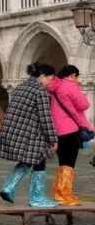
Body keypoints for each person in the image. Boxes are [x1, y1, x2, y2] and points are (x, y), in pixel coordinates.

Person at [0, 63, 59, 208]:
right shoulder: (39, 91)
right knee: (39, 160)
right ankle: (37, 198)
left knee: (30, 159)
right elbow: (45, 117)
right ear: (42, 76)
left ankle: (9, 188)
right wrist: (53, 138)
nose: (50, 82)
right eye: (50, 79)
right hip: (30, 134)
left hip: (16, 131)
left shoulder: (20, 87)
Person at [46, 65, 91, 206]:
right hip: (70, 129)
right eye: (76, 76)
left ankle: (59, 192)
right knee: (69, 164)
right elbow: (84, 104)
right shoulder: (70, 86)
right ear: (72, 75)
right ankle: (65, 195)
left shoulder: (54, 88)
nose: (77, 79)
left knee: (62, 163)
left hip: (57, 131)